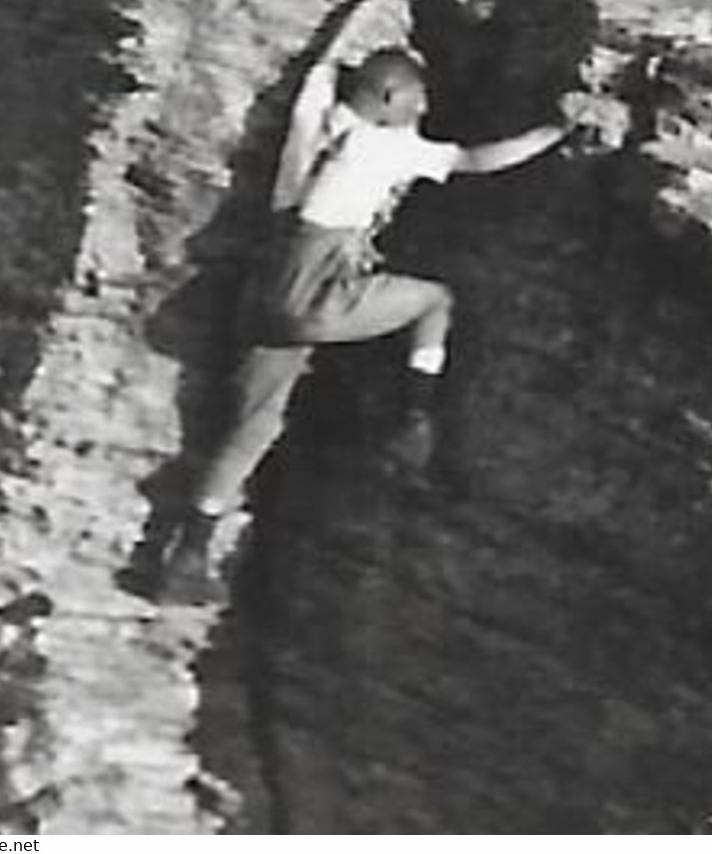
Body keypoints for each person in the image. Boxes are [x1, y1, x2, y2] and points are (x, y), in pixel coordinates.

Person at [156, 46, 574, 603]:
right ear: (385, 99)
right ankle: (415, 420)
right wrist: (558, 128)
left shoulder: (319, 119)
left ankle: (185, 555)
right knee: (435, 301)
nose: (424, 106)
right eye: (415, 97)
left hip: (265, 291)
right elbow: (477, 161)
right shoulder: (382, 146)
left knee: (253, 427)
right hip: (316, 293)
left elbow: (321, 68)